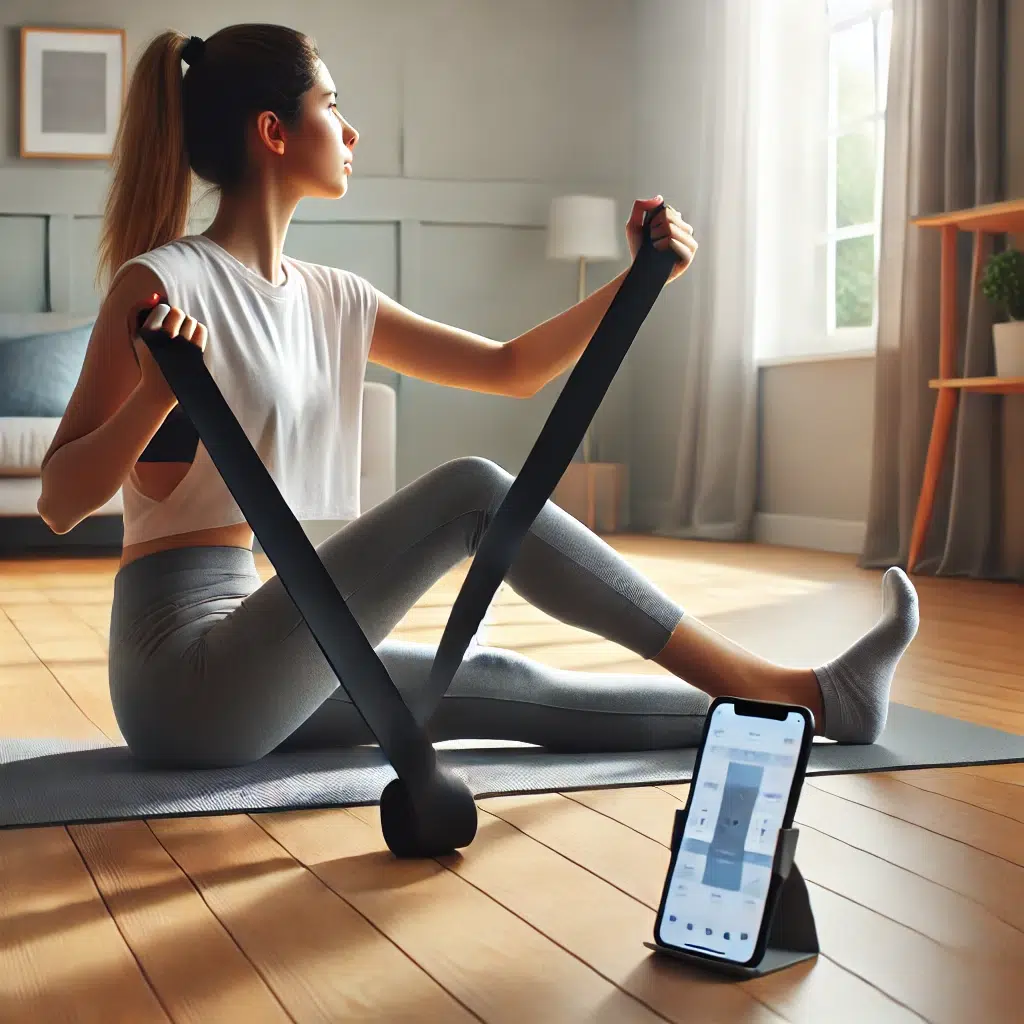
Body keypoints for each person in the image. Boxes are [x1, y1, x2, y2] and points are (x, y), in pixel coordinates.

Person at [37, 24, 919, 768]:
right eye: (332, 106)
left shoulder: (331, 295)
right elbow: (60, 502)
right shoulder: (163, 283)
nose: (351, 131)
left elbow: (509, 368)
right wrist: (154, 398)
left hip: (264, 642)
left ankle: (810, 707)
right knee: (471, 490)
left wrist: (640, 279)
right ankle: (754, 679)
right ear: (274, 131)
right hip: (181, 679)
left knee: (494, 681)